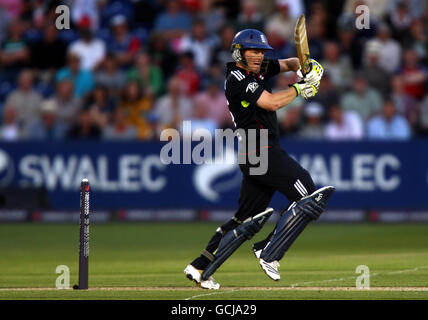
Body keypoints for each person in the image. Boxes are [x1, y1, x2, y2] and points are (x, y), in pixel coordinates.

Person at [184, 29, 334, 289]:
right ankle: (269, 252)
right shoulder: (237, 78)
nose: (258, 56)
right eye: (253, 51)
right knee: (309, 195)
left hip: (253, 152)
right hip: (260, 150)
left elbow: (289, 63)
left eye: (262, 51)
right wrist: (302, 88)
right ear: (239, 52)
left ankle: (199, 266)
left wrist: (308, 67)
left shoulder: (260, 67)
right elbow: (272, 103)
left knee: (244, 219)